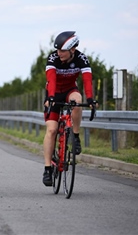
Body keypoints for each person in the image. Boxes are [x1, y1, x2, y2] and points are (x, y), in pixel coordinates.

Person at [42, 31, 98, 187]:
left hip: (70, 90)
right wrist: (51, 98)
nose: (59, 53)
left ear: (72, 49)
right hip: (54, 93)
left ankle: (75, 135)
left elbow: (87, 80)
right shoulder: (53, 58)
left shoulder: (82, 59)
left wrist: (91, 99)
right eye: (58, 50)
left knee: (77, 101)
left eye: (62, 51)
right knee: (52, 130)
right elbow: (51, 79)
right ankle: (47, 168)